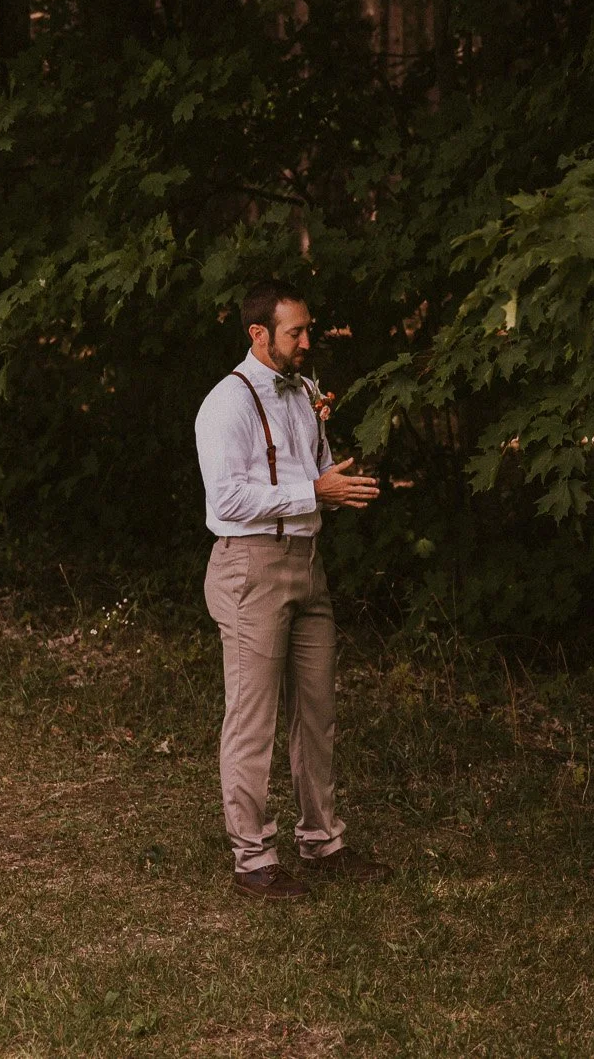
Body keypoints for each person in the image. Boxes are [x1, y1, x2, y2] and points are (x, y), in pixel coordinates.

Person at [194, 279, 390, 902]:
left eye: (309, 329)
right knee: (253, 719)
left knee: (316, 712)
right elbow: (226, 499)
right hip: (250, 568)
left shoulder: (304, 392)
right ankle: (252, 858)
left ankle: (321, 841)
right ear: (258, 335)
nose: (308, 341)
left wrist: (338, 480)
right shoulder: (224, 404)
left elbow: (313, 469)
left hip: (308, 563)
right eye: (295, 332)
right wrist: (315, 493)